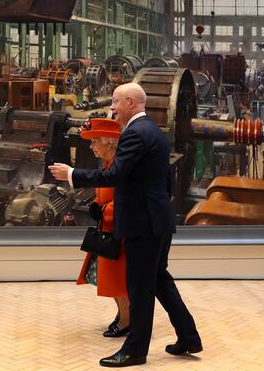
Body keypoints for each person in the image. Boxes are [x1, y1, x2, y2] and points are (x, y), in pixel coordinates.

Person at [49, 83, 202, 368]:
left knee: (140, 288)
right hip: (158, 219)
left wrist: (72, 174)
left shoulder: (134, 133)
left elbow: (115, 175)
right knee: (159, 281)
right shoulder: (154, 132)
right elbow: (165, 181)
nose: (112, 109)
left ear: (131, 102)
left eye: (116, 103)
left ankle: (135, 351)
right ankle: (189, 337)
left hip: (143, 223)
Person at [75, 118, 130, 338]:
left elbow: (127, 199)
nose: (91, 147)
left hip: (120, 235)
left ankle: (127, 321)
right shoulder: (109, 163)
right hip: (109, 232)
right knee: (113, 282)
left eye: (93, 141)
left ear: (108, 142)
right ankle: (123, 316)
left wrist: (105, 211)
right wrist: (98, 206)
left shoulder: (119, 164)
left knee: (119, 283)